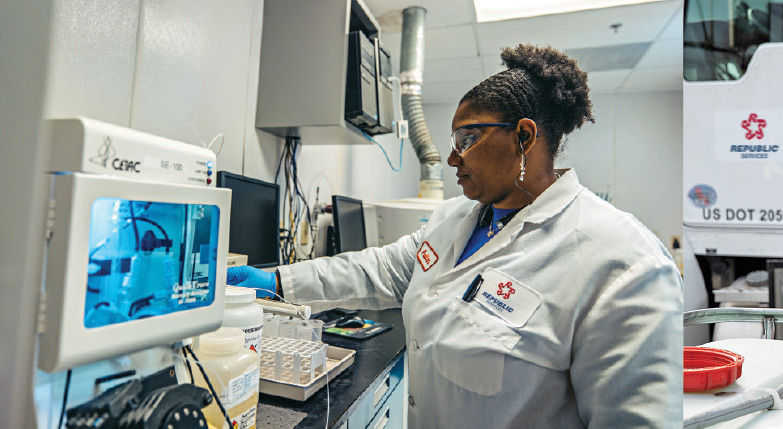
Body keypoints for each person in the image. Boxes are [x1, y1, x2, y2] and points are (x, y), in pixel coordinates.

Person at [226, 45, 681, 428]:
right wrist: (276, 282)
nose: (451, 158)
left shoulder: (622, 263)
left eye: (467, 139)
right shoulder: (454, 220)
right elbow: (380, 270)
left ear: (524, 137)